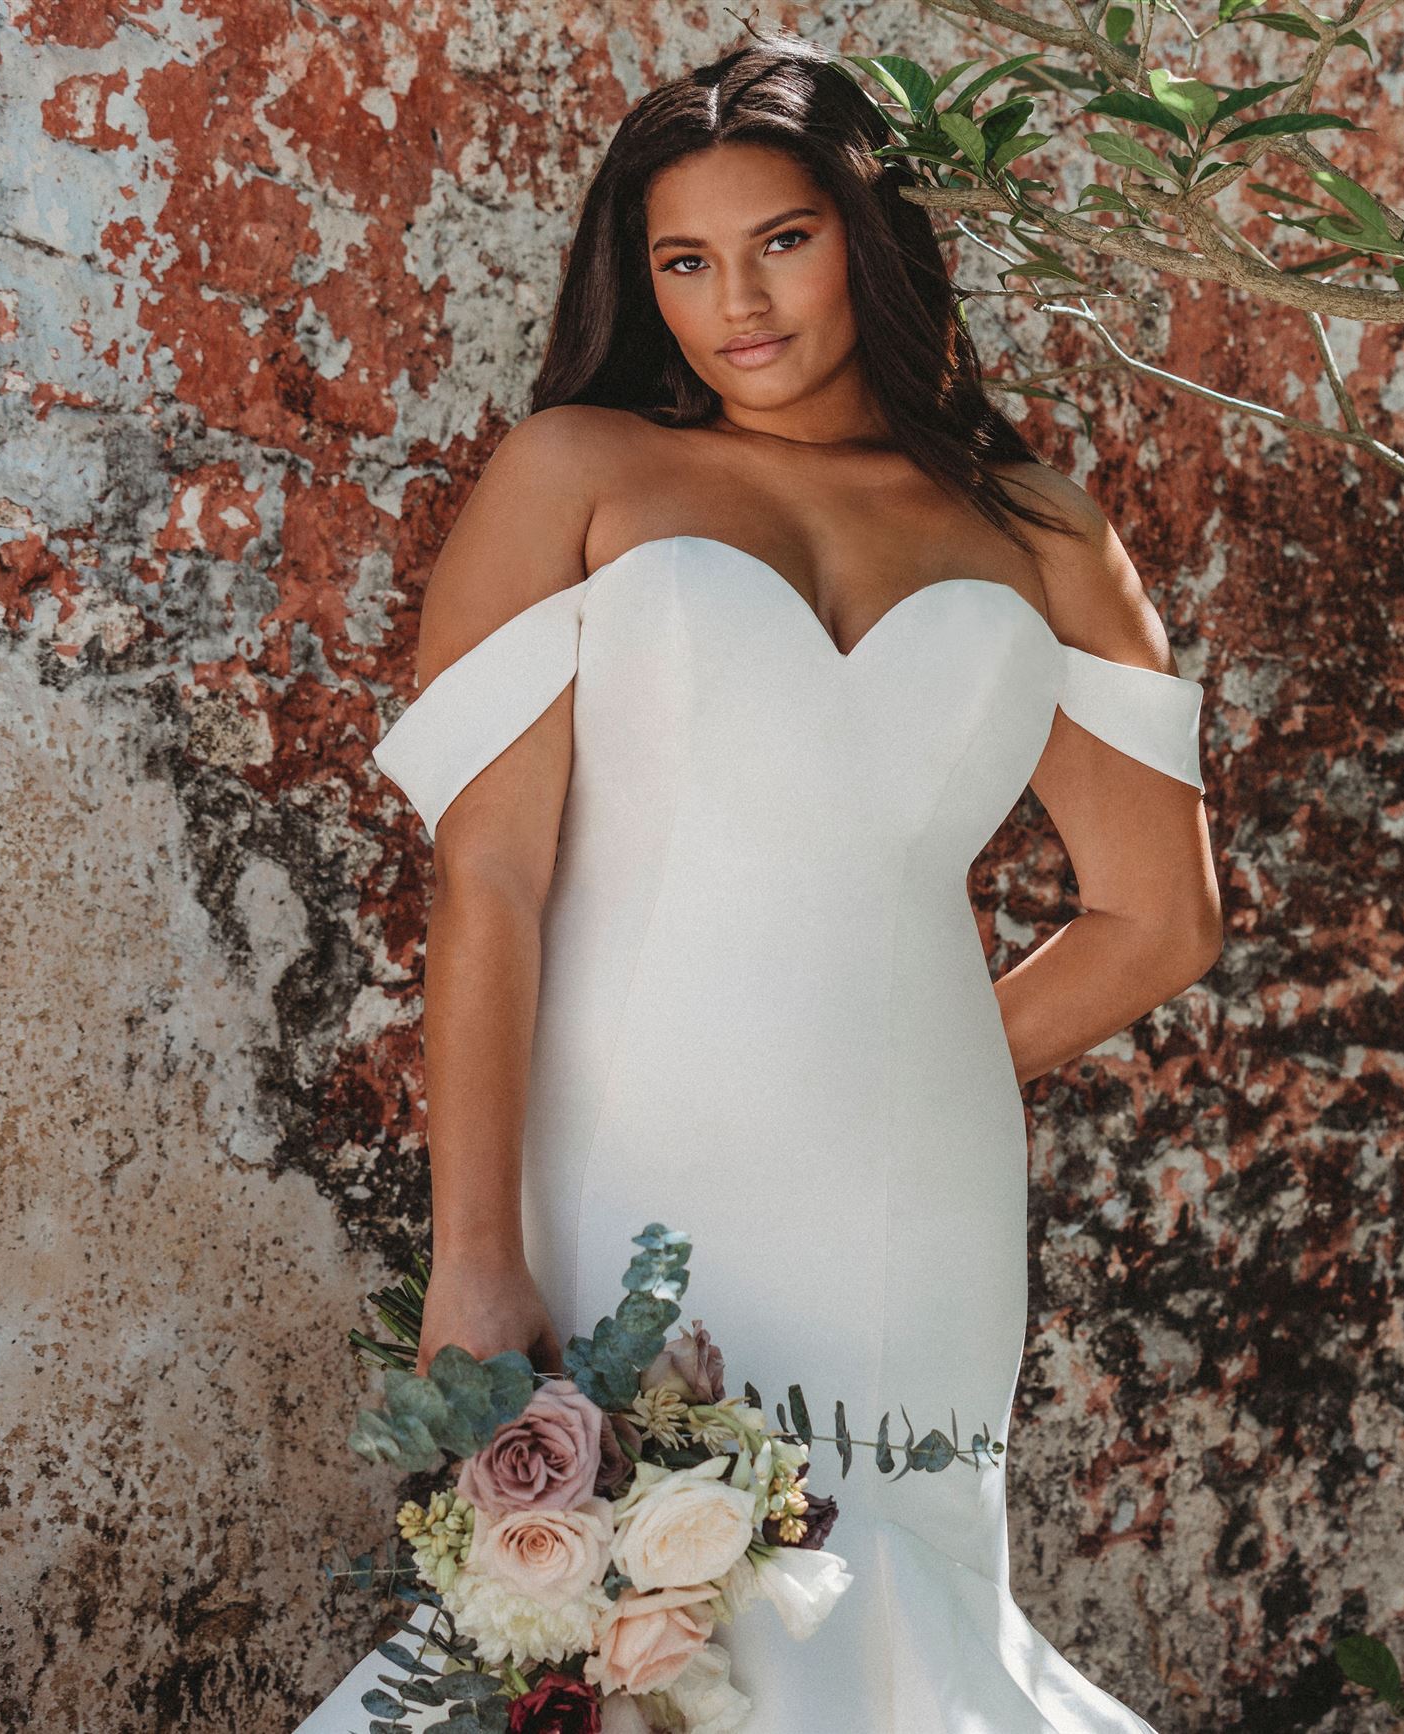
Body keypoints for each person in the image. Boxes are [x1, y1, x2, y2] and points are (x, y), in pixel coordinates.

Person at [292, 31, 1221, 1734]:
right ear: (640, 282)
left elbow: (1161, 916)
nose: (742, 301)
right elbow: (486, 873)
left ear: (867, 238)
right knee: (622, 1625)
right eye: (686, 261)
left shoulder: (1041, 531)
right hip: (626, 1156)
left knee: (892, 1604)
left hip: (909, 1197)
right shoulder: (575, 471)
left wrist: (894, 1068)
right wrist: (472, 1251)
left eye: (783, 241)